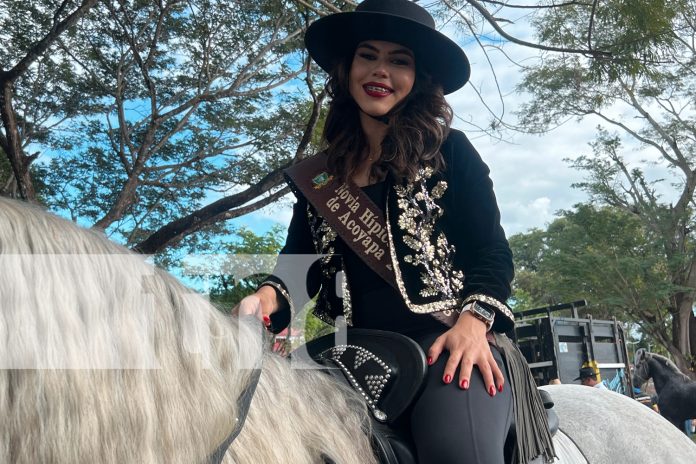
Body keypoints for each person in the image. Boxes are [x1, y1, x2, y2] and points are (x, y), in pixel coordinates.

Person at [236, 1, 554, 463]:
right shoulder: (320, 179)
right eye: (367, 55)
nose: (379, 70)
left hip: (445, 344)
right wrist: (266, 298)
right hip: (349, 355)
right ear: (347, 69)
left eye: (398, 60)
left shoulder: (450, 152)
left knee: (454, 452)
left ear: (418, 76)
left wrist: (472, 325)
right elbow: (298, 267)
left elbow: (491, 253)